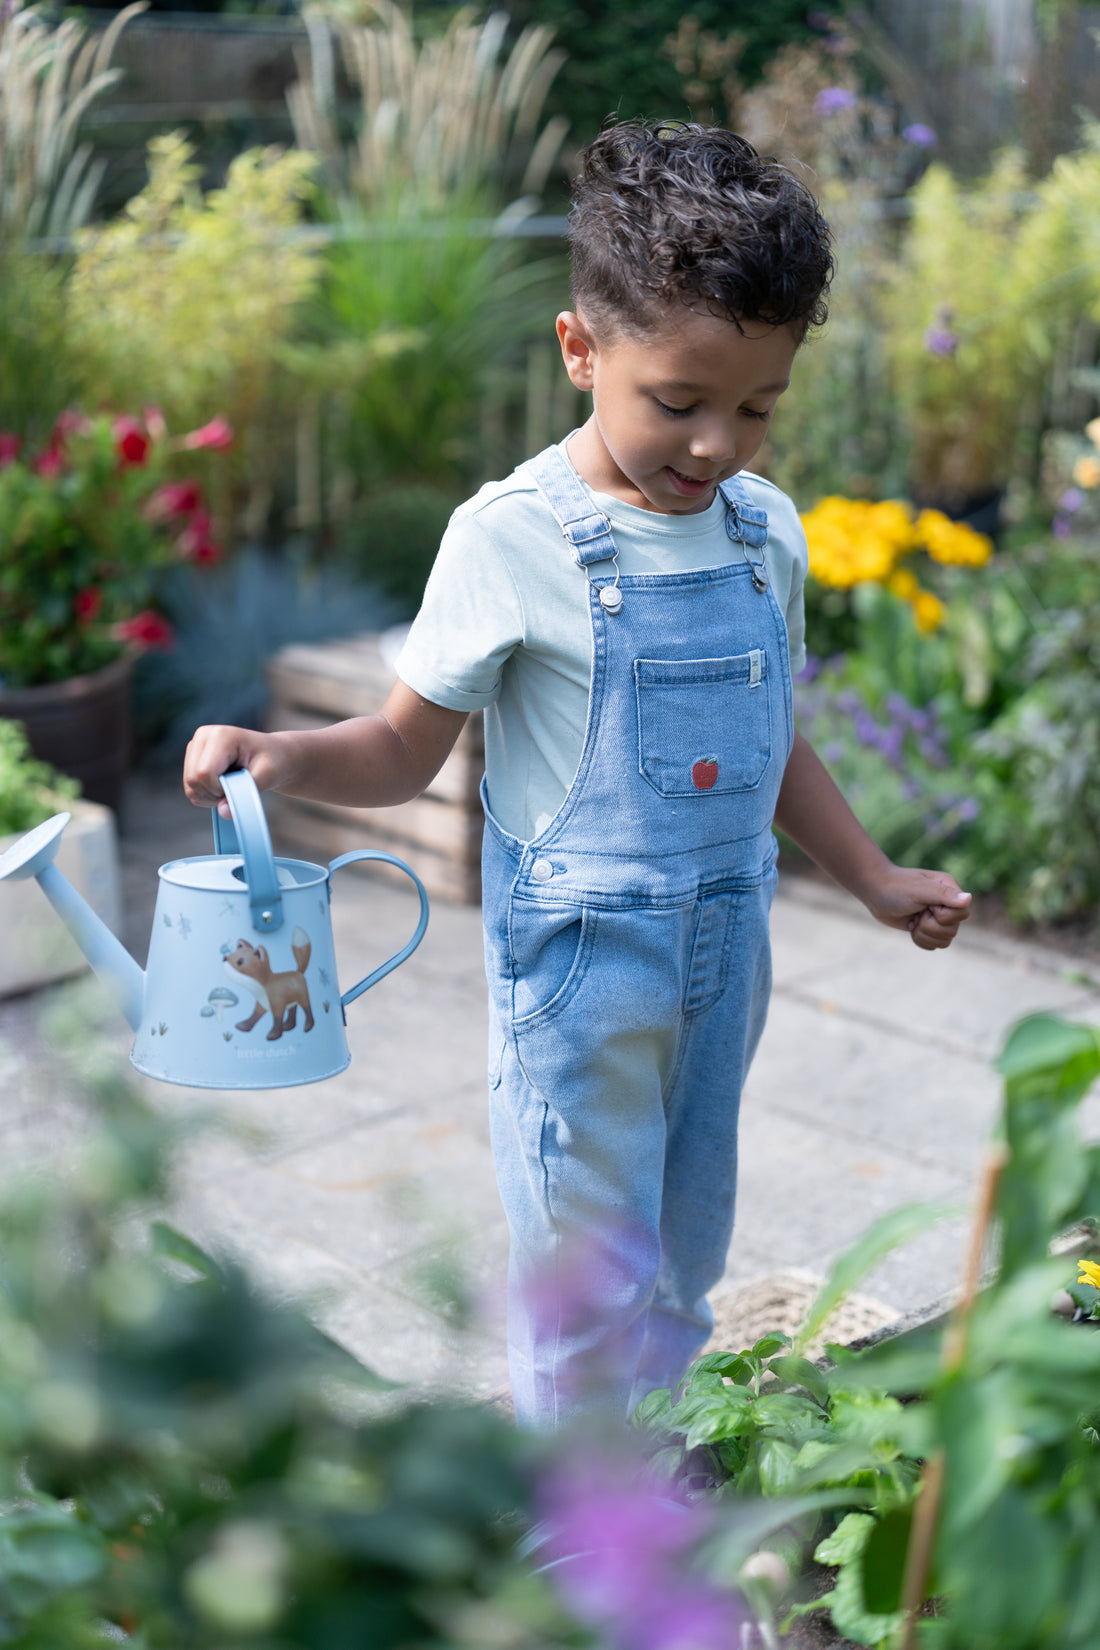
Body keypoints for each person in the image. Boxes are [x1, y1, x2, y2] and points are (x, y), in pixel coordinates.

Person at [184, 121, 971, 1428]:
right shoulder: (511, 540)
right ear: (581, 350)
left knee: (684, 1257)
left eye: (758, 407)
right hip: (584, 971)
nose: (717, 445)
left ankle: (650, 1483)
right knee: (588, 1281)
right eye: (680, 401)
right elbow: (401, 747)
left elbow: (771, 738)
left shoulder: (763, 532)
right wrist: (279, 756)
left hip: (727, 950)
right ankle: (574, 1512)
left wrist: (875, 877)